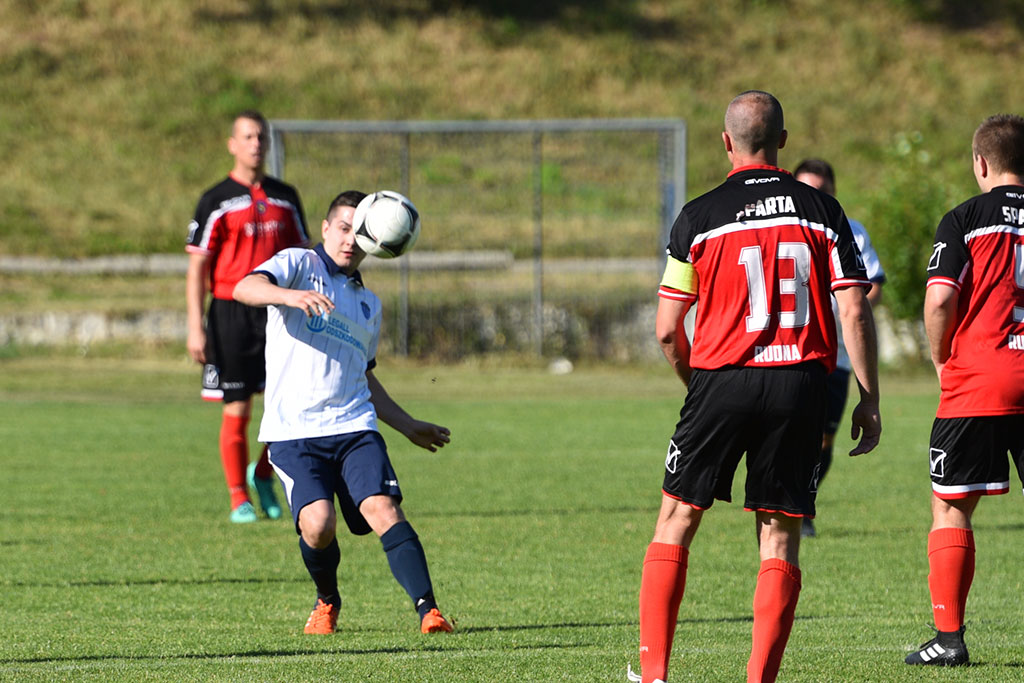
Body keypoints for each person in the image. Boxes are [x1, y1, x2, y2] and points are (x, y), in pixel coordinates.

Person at [629, 91, 881, 683]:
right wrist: (869, 397)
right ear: (784, 143)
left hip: (720, 380)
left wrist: (699, 387)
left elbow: (668, 330)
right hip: (801, 382)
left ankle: (655, 675)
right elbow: (855, 311)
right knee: (779, 533)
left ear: (726, 142)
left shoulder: (698, 216)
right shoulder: (823, 210)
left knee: (676, 520)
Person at [232, 190, 454, 636]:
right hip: (295, 432)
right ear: (326, 228)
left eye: (362, 230)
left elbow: (365, 377)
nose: (352, 239)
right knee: (318, 524)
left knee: (382, 508)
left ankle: (429, 610)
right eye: (345, 228)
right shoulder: (298, 264)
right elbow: (244, 287)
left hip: (353, 427)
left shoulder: (368, 305)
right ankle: (327, 600)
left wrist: (408, 426)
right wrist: (290, 297)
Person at [904, 114, 1024, 667]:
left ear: (981, 163)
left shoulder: (964, 218)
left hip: (979, 380)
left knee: (951, 506)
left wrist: (940, 358)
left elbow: (938, 301)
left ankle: (949, 639)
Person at [186, 110, 310, 523]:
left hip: (278, 310)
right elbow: (198, 268)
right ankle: (238, 496)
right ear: (233, 144)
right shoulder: (215, 199)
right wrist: (194, 326)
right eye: (248, 136)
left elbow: (304, 255)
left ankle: (263, 473)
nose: (256, 143)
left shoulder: (285, 197)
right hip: (230, 314)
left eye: (261, 137)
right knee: (237, 407)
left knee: (288, 407)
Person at [794, 159, 887, 538]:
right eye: (808, 190)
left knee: (824, 437)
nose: (816, 197)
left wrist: (852, 311)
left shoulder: (851, 231)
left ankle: (803, 508)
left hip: (839, 353)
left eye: (824, 191)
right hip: (793, 349)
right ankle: (784, 503)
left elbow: (874, 285)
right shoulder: (784, 228)